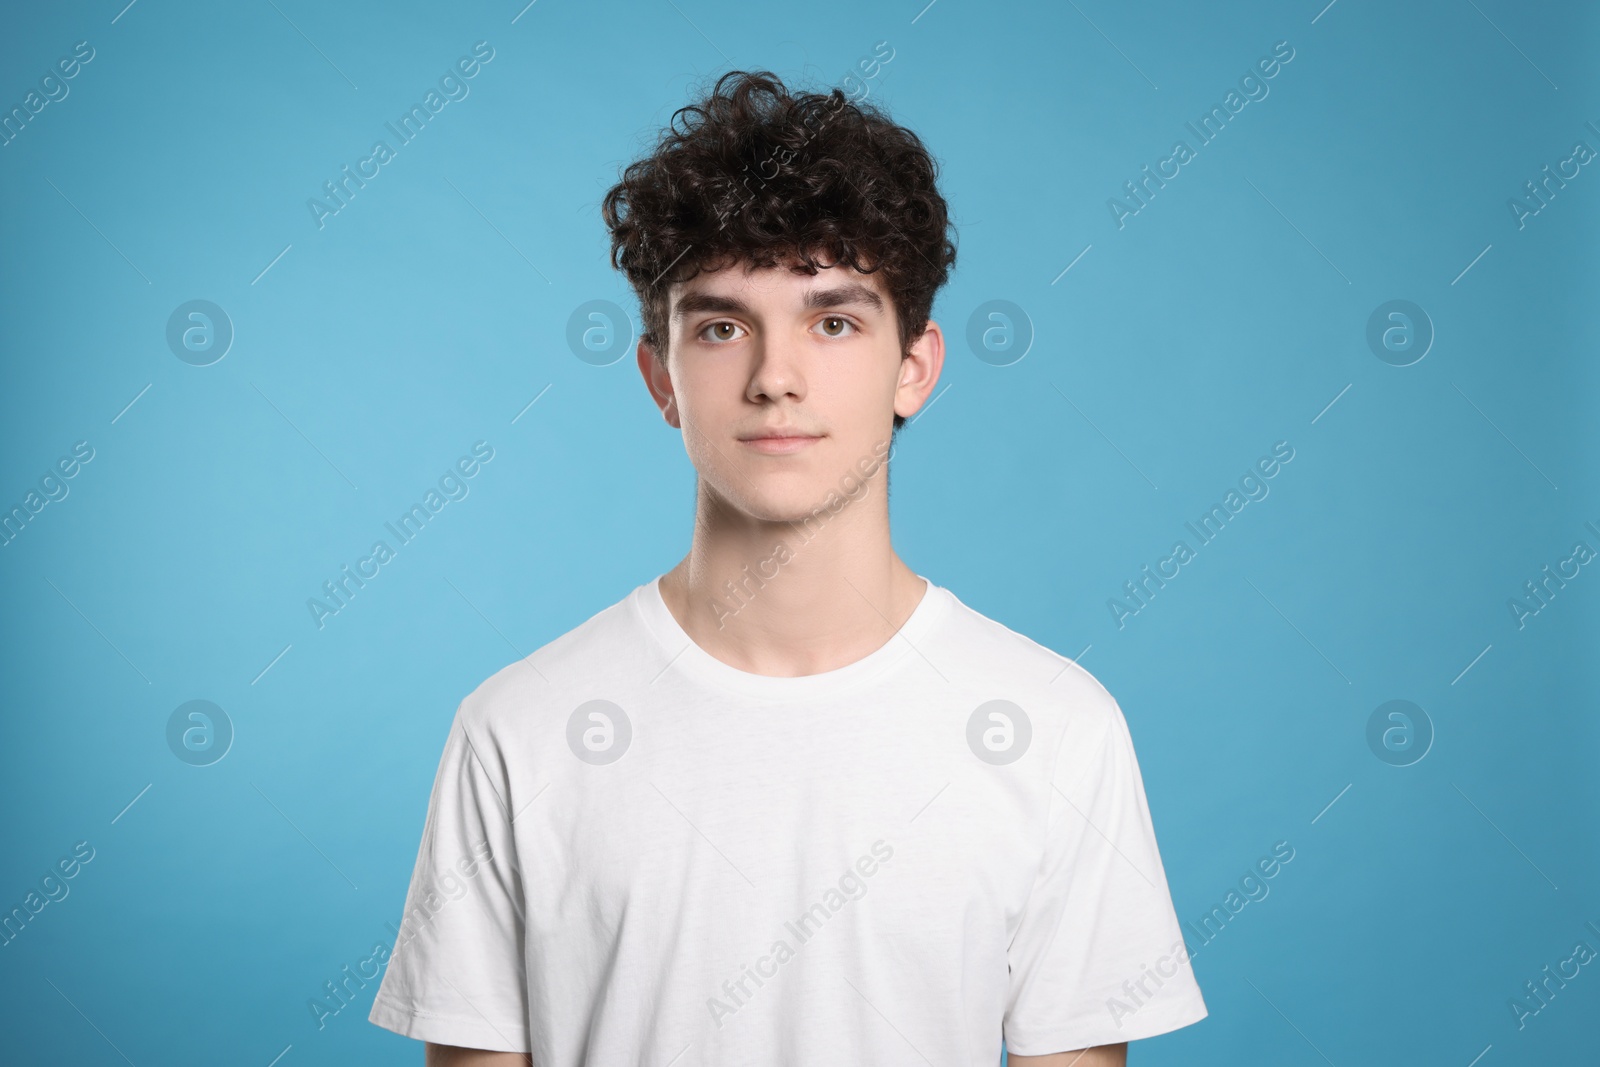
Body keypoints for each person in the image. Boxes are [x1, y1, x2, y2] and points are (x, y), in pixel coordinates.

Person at [368, 69, 1207, 1067]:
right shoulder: (518, 730)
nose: (775, 376)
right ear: (659, 376)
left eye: (834, 321)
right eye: (721, 327)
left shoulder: (1058, 731)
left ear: (915, 367)